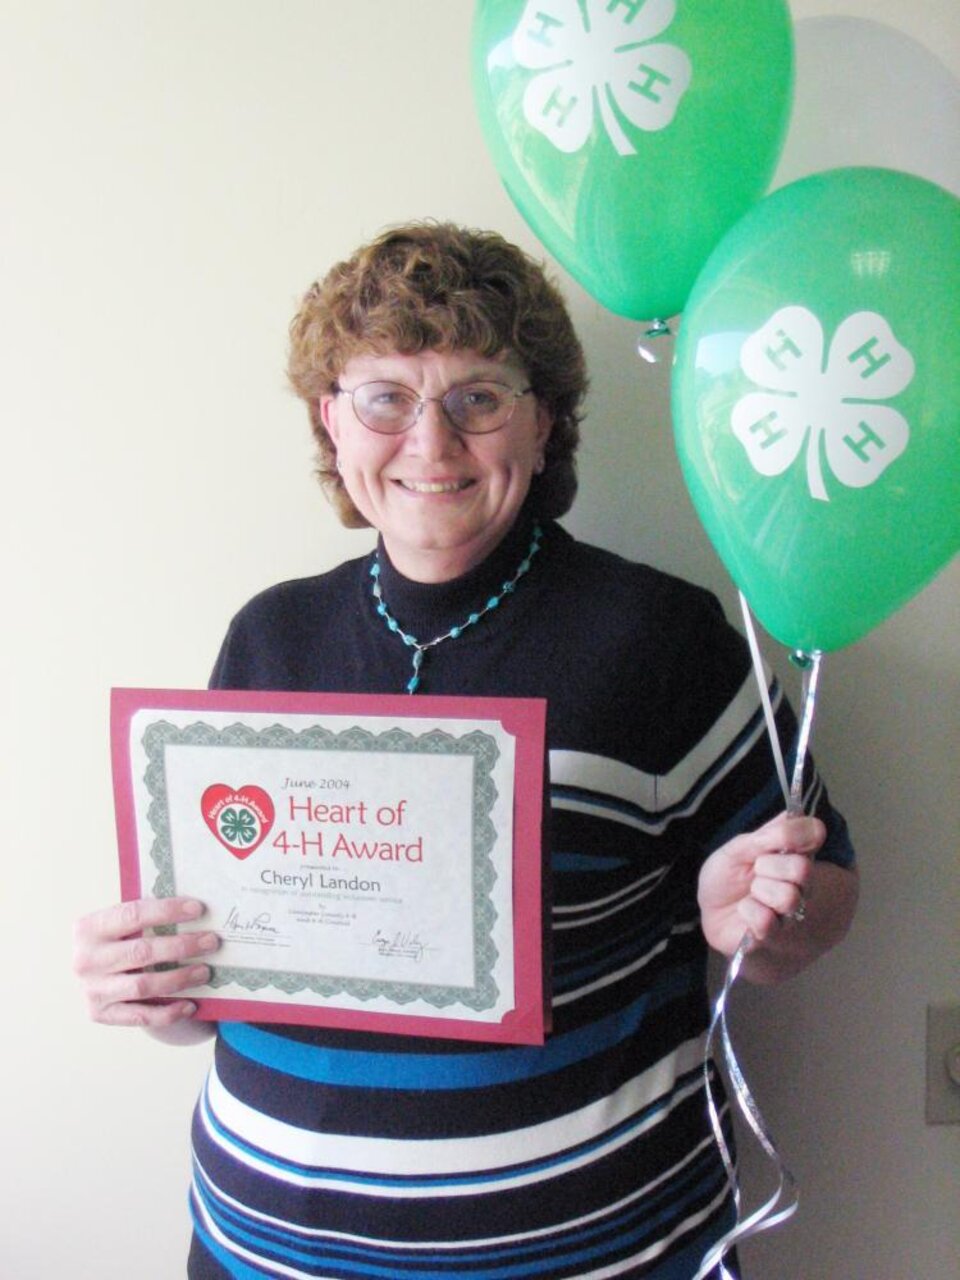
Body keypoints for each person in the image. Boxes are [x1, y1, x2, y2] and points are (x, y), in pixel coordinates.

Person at [74, 222, 859, 1279]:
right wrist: (157, 989)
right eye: (385, 397)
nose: (430, 446)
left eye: (478, 397)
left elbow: (825, 891)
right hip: (262, 1252)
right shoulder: (270, 637)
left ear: (543, 424)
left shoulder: (658, 635)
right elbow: (232, 976)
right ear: (331, 419)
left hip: (600, 1257)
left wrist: (764, 913)